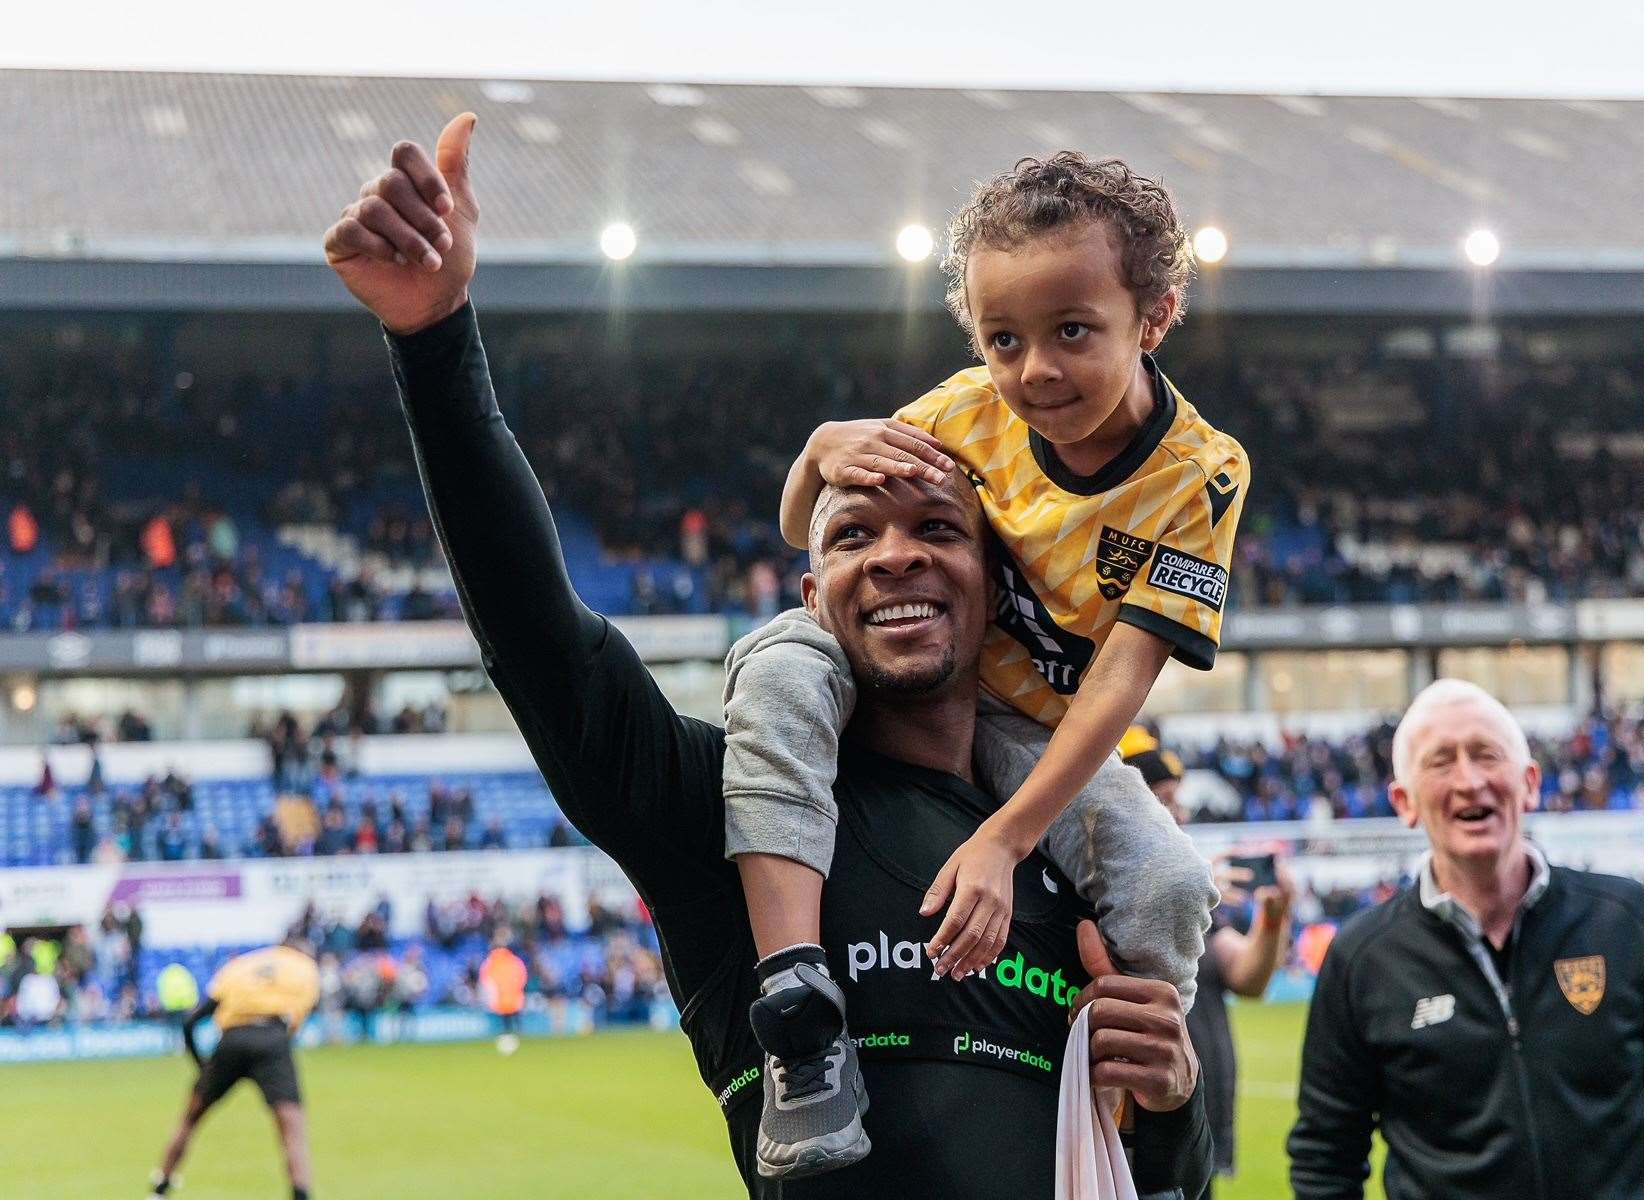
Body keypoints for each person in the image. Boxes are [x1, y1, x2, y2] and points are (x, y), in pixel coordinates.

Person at [323, 112, 1211, 1198]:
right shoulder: (722, 813)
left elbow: (1160, 1182)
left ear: (999, 599)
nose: (893, 557)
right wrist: (434, 339)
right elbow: (536, 633)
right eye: (850, 535)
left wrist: (1170, 1108)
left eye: (937, 530)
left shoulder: (1078, 857)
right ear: (810, 594)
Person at [728, 150, 1240, 1173]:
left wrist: (1007, 840)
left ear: (1157, 315)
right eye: (1003, 338)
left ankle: (1127, 1086)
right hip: (892, 666)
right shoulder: (965, 410)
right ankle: (797, 1003)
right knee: (776, 670)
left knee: (1175, 881)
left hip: (1029, 732)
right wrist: (820, 451)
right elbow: (813, 524)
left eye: (1072, 333)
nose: (1034, 371)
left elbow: (1118, 684)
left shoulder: (1200, 472)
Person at [1287, 679, 1644, 1200]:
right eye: (1441, 762)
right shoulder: (1363, 959)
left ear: (1530, 782)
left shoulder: (1627, 920)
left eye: (1486, 755)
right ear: (1405, 802)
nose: (1469, 780)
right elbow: (1326, 1157)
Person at [1125, 726, 1294, 1181]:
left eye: (1177, 801)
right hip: (1136, 1125)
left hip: (1192, 1115)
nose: (1178, 816)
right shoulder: (1094, 887)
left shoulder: (1189, 890)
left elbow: (1248, 978)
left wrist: (1274, 917)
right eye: (1164, 800)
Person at [148, 932, 320, 1200]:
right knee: (292, 1128)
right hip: (273, 1039)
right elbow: (297, 1018)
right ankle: (301, 1194)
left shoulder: (242, 966)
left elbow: (192, 1022)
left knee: (190, 1118)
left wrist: (202, 1066)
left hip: (231, 1041)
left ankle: (159, 1190)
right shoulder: (305, 968)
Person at [479, 931, 528, 1054]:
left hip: (500, 1001)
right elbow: (522, 977)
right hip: (515, 1000)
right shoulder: (515, 961)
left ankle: (507, 1042)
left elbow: (485, 981)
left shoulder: (490, 962)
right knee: (517, 1026)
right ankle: (522, 1044)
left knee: (505, 1027)